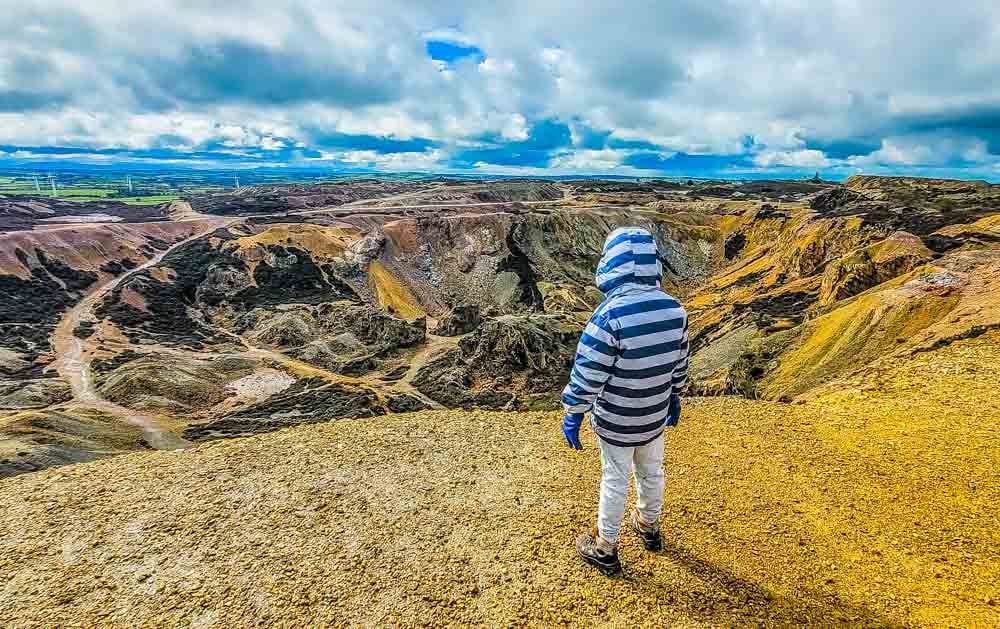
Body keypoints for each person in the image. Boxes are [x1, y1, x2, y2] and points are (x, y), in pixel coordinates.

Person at [561, 226, 689, 577]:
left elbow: (588, 373)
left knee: (615, 478)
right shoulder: (676, 311)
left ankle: (605, 547)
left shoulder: (608, 317)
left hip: (616, 419)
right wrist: (675, 396)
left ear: (610, 264)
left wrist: (574, 411)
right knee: (652, 470)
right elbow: (680, 363)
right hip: (654, 415)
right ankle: (649, 528)